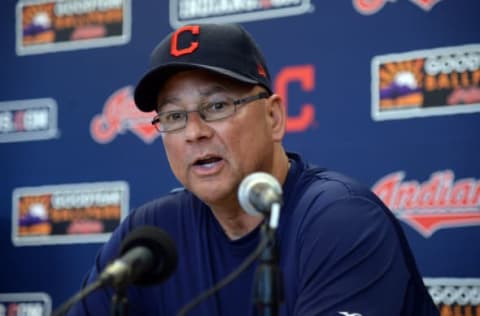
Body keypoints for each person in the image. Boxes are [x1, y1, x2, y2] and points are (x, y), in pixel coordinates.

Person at [67, 23, 439, 315]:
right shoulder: (149, 236)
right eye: (174, 116)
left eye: (217, 106)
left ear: (274, 117)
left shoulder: (339, 218)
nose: (194, 132)